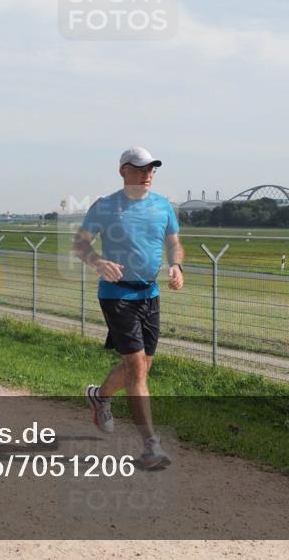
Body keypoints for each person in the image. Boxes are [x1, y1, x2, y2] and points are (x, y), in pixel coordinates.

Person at [73, 146, 184, 470]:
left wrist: (176, 265)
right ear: (123, 171)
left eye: (151, 168)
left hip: (149, 294)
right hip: (116, 295)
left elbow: (174, 241)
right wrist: (97, 262)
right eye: (140, 168)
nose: (148, 174)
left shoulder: (163, 206)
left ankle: (101, 396)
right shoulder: (105, 207)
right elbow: (80, 243)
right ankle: (151, 447)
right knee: (136, 369)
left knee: (142, 367)